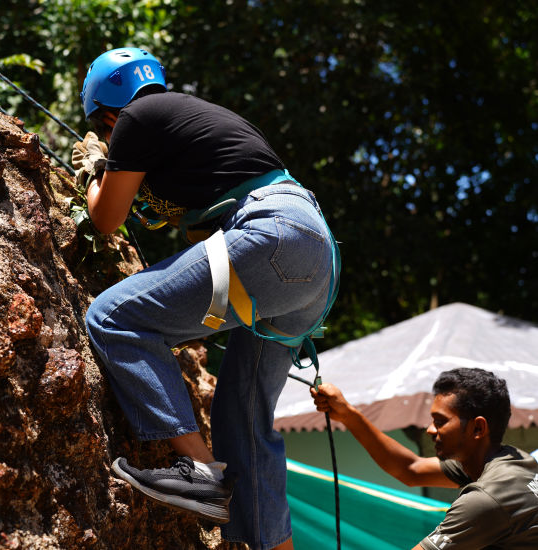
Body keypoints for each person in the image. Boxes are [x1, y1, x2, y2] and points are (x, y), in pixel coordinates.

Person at [72, 47, 338, 550]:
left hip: (270, 235)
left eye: (105, 129)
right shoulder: (195, 120)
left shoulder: (135, 116)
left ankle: (199, 471)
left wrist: (96, 174)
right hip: (311, 255)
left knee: (113, 318)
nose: (110, 136)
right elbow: (199, 232)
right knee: (243, 418)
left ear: (107, 110)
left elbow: (106, 219)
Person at [312, 367, 538, 549]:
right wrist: (348, 415)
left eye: (440, 421)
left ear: (478, 428)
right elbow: (411, 469)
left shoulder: (486, 500)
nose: (430, 430)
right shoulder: (513, 460)